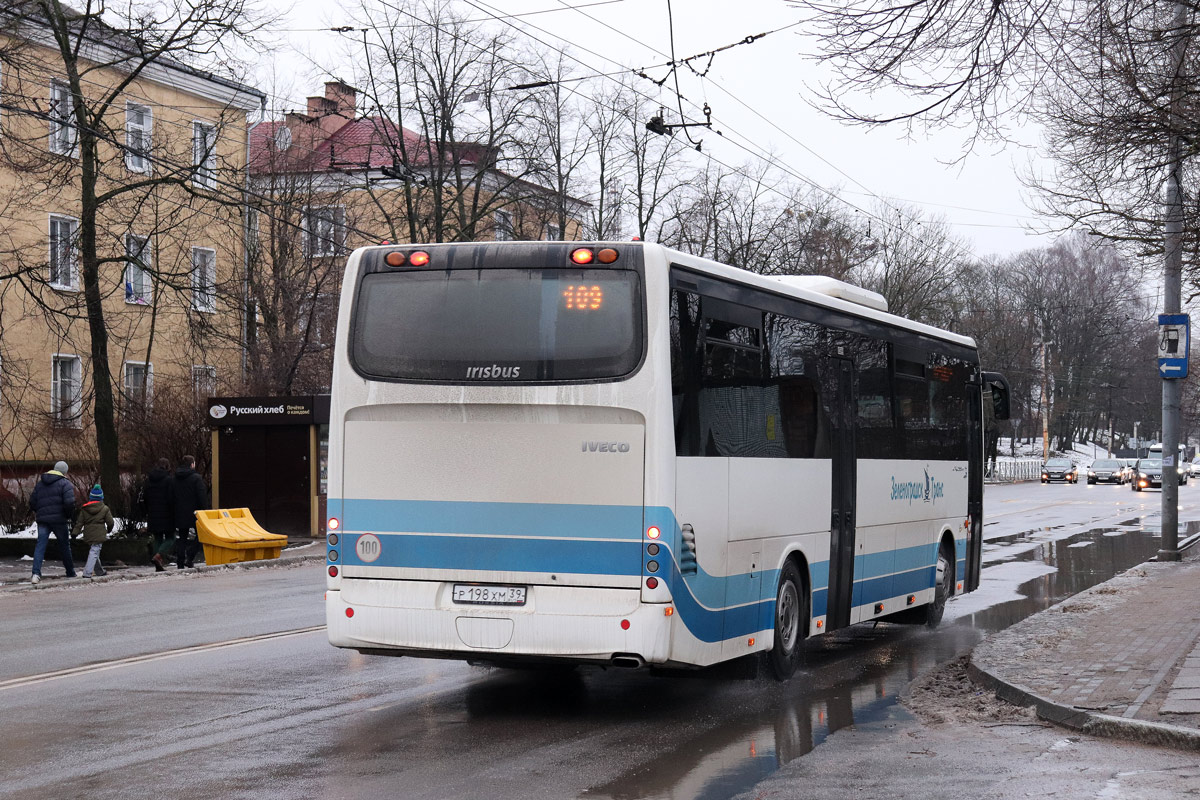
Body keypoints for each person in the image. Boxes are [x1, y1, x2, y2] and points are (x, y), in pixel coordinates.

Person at [28, 460, 77, 584]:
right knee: (64, 546)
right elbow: (69, 503)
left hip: (43, 520)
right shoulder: (65, 484)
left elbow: (32, 501)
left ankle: (35, 574)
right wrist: (68, 515)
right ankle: (70, 572)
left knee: (40, 546)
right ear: (65, 471)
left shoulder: (40, 484)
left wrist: (39, 511)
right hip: (59, 520)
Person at [172, 455, 209, 569]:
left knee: (182, 537)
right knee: (201, 535)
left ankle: (180, 561)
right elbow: (201, 496)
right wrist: (205, 511)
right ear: (192, 464)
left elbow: (171, 494)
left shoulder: (175, 478)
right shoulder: (196, 478)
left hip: (179, 512)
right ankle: (190, 556)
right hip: (194, 512)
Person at [139, 458, 175, 571]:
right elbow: (172, 498)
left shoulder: (148, 481)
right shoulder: (169, 480)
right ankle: (158, 556)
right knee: (171, 537)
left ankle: (158, 564)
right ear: (168, 467)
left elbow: (144, 497)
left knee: (158, 538)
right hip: (167, 514)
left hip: (153, 513)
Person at [74, 484, 114, 579]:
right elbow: (110, 522)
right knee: (94, 552)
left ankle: (99, 571)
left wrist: (75, 532)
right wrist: (109, 529)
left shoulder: (85, 509)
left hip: (88, 534)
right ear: (101, 498)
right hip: (99, 534)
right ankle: (87, 572)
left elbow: (79, 522)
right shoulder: (105, 509)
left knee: (94, 551)